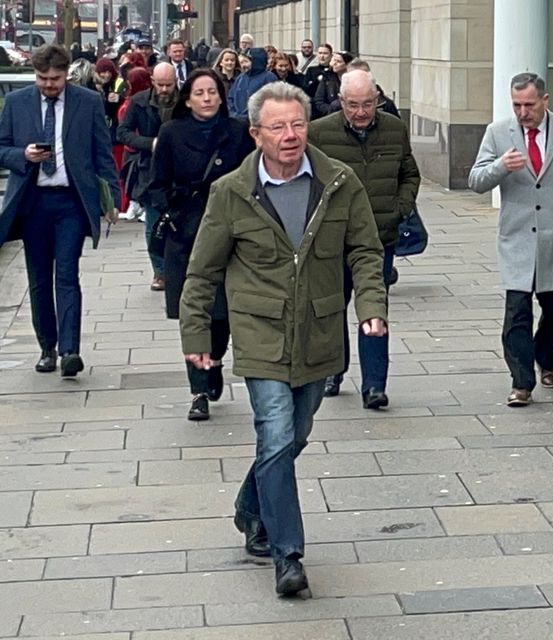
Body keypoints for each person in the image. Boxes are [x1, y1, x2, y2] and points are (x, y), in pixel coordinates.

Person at [179, 82, 386, 597]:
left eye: (297, 124)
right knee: (274, 432)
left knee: (295, 435)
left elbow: (365, 250)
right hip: (260, 332)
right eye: (278, 127)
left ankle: (250, 508)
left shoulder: (339, 182)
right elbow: (202, 273)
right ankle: (287, 554)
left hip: (319, 332)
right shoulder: (231, 192)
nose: (291, 135)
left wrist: (371, 310)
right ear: (256, 134)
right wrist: (196, 336)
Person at [469, 72, 553, 407]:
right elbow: (476, 180)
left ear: (544, 101)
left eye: (529, 105)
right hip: (517, 239)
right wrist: (500, 167)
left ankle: (546, 361)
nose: (523, 112)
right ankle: (521, 381)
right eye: (517, 105)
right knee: (517, 314)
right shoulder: (498, 133)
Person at [0, 44, 120, 376]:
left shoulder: (87, 102)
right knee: (39, 278)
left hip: (70, 201)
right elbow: (1, 148)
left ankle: (70, 350)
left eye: (54, 78)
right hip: (32, 202)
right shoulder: (16, 103)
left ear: (66, 73)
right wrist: (22, 155)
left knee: (67, 274)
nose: (48, 85)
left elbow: (102, 151)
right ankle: (47, 348)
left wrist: (112, 196)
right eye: (42, 78)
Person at [308, 69, 420, 407]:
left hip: (379, 237)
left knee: (375, 308)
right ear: (341, 102)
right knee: (333, 306)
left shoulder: (394, 130)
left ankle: (374, 385)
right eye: (353, 105)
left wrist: (400, 206)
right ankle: (334, 369)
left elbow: (410, 174)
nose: (360, 112)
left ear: (379, 101)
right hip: (334, 240)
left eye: (368, 104)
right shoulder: (319, 133)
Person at [151, 69, 255, 421]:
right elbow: (156, 184)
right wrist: (174, 214)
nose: (208, 98)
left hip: (231, 233)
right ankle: (198, 391)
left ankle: (214, 361)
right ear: (188, 98)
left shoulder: (239, 132)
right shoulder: (171, 133)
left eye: (213, 92)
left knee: (223, 314)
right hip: (187, 234)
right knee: (193, 313)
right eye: (200, 92)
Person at [117, 62, 178, 291]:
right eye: (160, 84)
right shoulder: (139, 101)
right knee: (154, 223)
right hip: (150, 170)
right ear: (152, 81)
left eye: (168, 85)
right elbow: (122, 133)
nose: (164, 90)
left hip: (180, 170)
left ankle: (178, 269)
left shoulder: (185, 101)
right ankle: (160, 271)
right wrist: (149, 143)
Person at [115, 66, 151, 217]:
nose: (126, 84)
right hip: (130, 148)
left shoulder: (139, 103)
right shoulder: (133, 101)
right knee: (129, 178)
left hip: (137, 148)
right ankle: (134, 204)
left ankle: (139, 204)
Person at [228, 47, 276, 119]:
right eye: (241, 62)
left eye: (246, 62)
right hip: (237, 122)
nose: (243, 65)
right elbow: (231, 98)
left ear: (256, 62)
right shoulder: (241, 78)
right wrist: (234, 114)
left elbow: (271, 102)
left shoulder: (269, 78)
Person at [310, 50, 351, 118]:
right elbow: (318, 100)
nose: (334, 63)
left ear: (347, 64)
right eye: (334, 60)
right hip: (329, 116)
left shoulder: (353, 79)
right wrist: (331, 110)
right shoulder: (327, 77)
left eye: (338, 61)